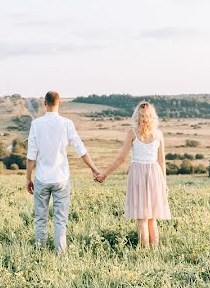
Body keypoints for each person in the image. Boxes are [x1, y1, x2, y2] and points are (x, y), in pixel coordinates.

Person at [26, 90, 101, 251]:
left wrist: (28, 178)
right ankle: (60, 253)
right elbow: (81, 149)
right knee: (60, 218)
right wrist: (94, 169)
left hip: (42, 177)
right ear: (59, 103)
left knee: (40, 218)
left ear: (44, 103)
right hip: (61, 178)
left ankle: (40, 251)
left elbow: (31, 155)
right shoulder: (67, 123)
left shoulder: (36, 124)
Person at [95, 100, 171, 247]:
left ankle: (143, 254)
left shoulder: (132, 133)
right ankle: (154, 254)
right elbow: (162, 161)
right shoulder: (159, 134)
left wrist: (104, 174)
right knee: (152, 219)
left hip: (138, 175)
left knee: (141, 218)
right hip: (155, 175)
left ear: (137, 115)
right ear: (152, 116)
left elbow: (121, 158)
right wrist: (164, 183)